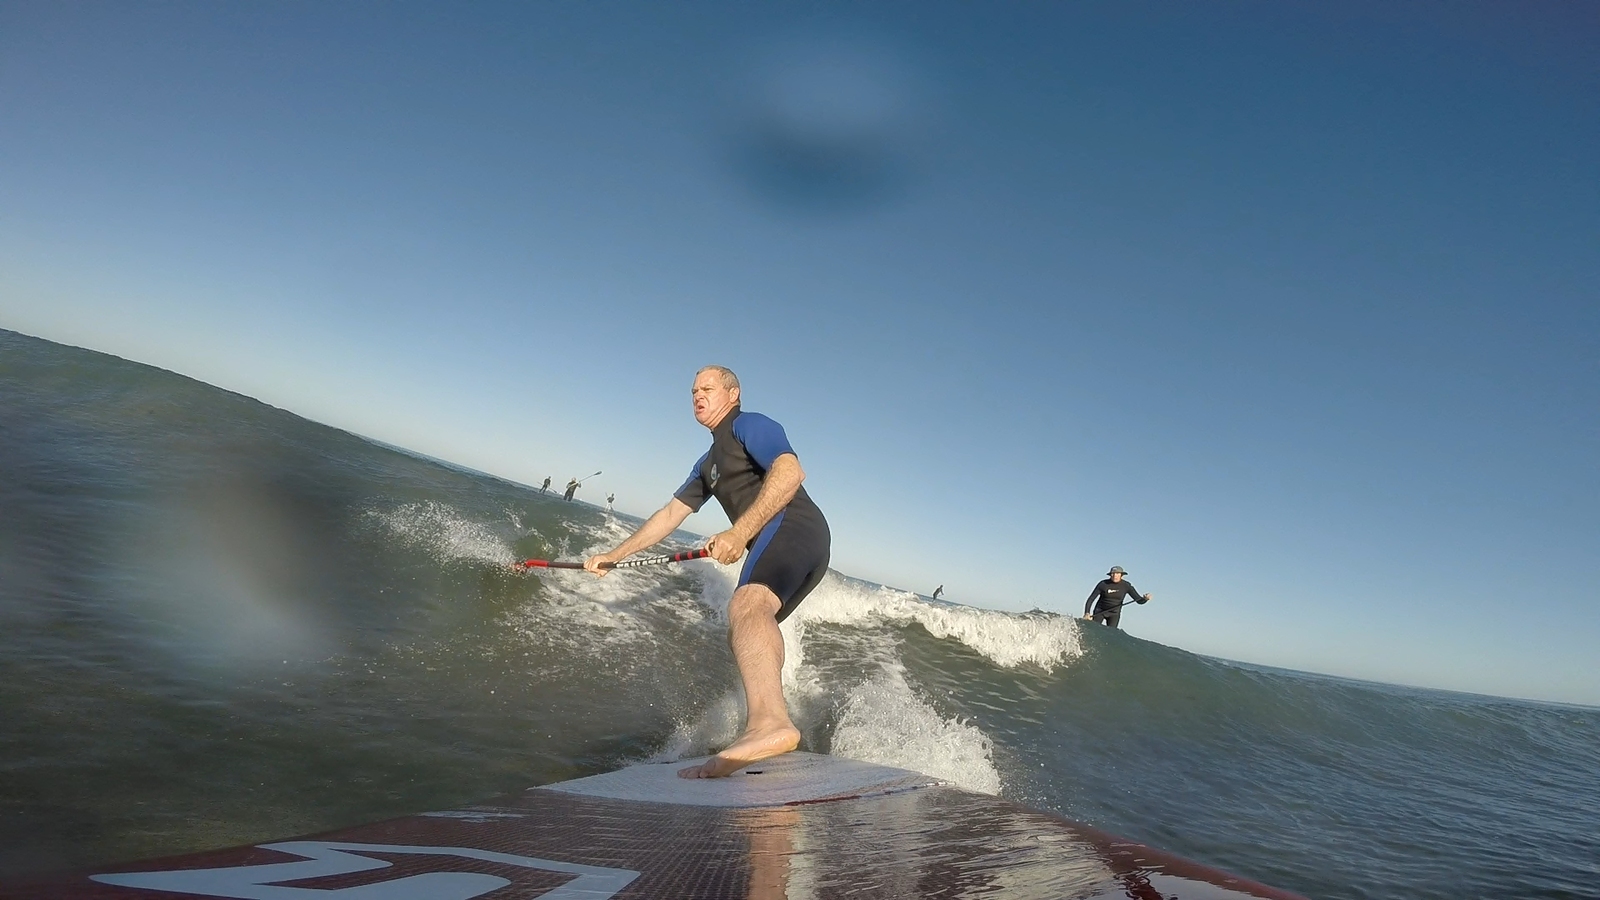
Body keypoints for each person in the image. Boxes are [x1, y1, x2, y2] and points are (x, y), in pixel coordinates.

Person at [585, 365, 830, 779]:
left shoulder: (748, 425)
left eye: (708, 388)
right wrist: (615, 555)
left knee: (747, 604)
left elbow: (790, 473)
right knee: (749, 620)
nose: (698, 395)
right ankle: (773, 727)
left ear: (733, 394)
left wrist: (739, 532)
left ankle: (770, 724)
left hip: (793, 527)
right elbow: (668, 515)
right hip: (792, 545)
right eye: (693, 390)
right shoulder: (707, 464)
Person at [1082, 566, 1151, 629]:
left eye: (1117, 573)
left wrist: (1145, 599)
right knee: (1094, 629)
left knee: (1111, 633)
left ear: (1122, 575)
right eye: (1113, 573)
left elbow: (1139, 601)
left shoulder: (1126, 586)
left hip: (1114, 614)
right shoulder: (1103, 584)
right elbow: (1091, 599)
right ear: (1110, 575)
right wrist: (1087, 613)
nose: (1115, 575)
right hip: (1100, 611)